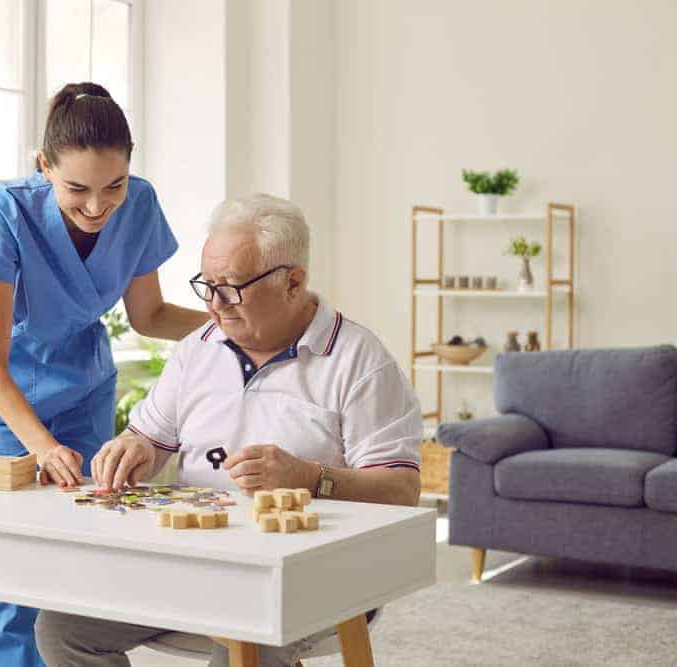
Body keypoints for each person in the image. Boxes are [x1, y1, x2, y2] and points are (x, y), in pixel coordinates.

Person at [35, 193, 423, 667]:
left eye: (232, 288)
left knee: (247, 641)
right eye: (207, 285)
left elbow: (402, 490)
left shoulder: (360, 360)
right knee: (62, 628)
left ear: (292, 282)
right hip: (195, 563)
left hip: (314, 576)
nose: (214, 306)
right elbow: (150, 440)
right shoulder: (197, 349)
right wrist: (132, 448)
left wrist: (311, 477)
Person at [0, 82, 209, 666]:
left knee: (86, 554)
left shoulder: (139, 204)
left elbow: (151, 315)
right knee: (17, 573)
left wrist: (237, 323)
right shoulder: (5, 208)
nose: (98, 207)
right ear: (44, 167)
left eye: (112, 186)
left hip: (85, 388)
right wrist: (40, 447)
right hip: (0, 403)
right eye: (77, 190)